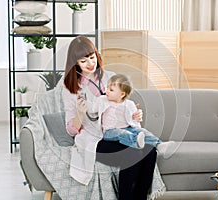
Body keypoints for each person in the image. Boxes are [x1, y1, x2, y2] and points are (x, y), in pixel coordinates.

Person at [62, 36, 158, 200]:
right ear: (75, 63)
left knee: (150, 150)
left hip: (119, 132)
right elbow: (71, 130)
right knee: (133, 153)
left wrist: (135, 115)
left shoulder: (110, 77)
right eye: (84, 61)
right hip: (94, 140)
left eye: (92, 57)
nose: (91, 64)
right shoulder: (70, 88)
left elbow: (124, 105)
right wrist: (79, 114)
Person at [88, 73, 174, 151]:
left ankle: (159, 144)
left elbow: (135, 117)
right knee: (122, 133)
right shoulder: (103, 100)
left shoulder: (129, 104)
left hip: (128, 127)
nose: (106, 91)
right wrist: (85, 106)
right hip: (109, 131)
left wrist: (137, 114)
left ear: (122, 94)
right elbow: (93, 109)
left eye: (111, 90)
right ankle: (135, 142)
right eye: (107, 88)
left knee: (142, 131)